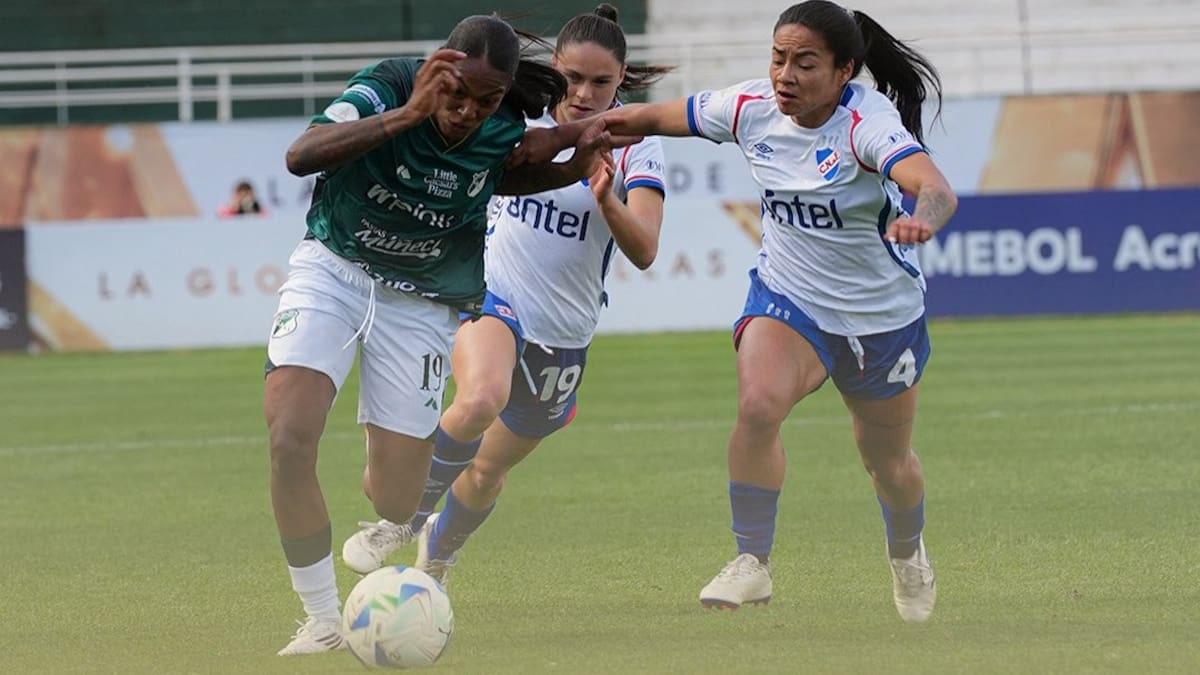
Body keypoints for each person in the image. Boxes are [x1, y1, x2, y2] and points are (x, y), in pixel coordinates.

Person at [265, 14, 627, 656]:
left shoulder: (501, 125)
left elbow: (503, 174)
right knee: (290, 440)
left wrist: (574, 167)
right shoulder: (388, 86)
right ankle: (321, 618)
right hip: (335, 270)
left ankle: (386, 447)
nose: (465, 113)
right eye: (456, 94)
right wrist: (408, 115)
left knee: (397, 500)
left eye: (485, 101)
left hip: (421, 303)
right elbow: (301, 155)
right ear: (438, 67)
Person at [600, 1, 958, 622]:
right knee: (758, 405)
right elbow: (646, 118)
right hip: (789, 298)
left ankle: (907, 553)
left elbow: (935, 189)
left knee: (888, 464)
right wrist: (565, 133)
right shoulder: (749, 107)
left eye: (805, 63)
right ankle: (752, 560)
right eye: (778, 58)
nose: (785, 75)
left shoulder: (865, 124)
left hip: (879, 318)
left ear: (843, 71)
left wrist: (921, 220)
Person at [340, 4, 672, 586]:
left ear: (622, 78)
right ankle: (401, 519)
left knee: (485, 472)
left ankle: (439, 554)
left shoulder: (635, 144)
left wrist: (607, 199)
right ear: (554, 67)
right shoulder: (519, 116)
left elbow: (644, 249)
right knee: (479, 399)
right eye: (572, 78)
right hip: (494, 295)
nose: (584, 93)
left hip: (563, 334)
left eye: (601, 82)